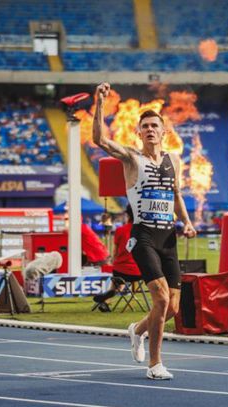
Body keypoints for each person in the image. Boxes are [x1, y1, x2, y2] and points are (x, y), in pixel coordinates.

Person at [93, 82, 197, 380]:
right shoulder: (130, 157)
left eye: (155, 125)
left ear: (164, 132)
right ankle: (155, 365)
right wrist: (100, 102)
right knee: (161, 300)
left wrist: (187, 221)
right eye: (145, 126)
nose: (150, 130)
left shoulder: (172, 160)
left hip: (169, 235)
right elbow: (100, 138)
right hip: (144, 236)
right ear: (139, 132)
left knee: (173, 309)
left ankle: (137, 330)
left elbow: (176, 194)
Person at [93, 204, 143, 312]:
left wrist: (113, 260)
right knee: (121, 281)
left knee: (118, 281)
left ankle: (107, 298)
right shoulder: (143, 230)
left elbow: (115, 252)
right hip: (140, 272)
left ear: (127, 215)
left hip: (121, 270)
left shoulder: (121, 230)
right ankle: (107, 298)